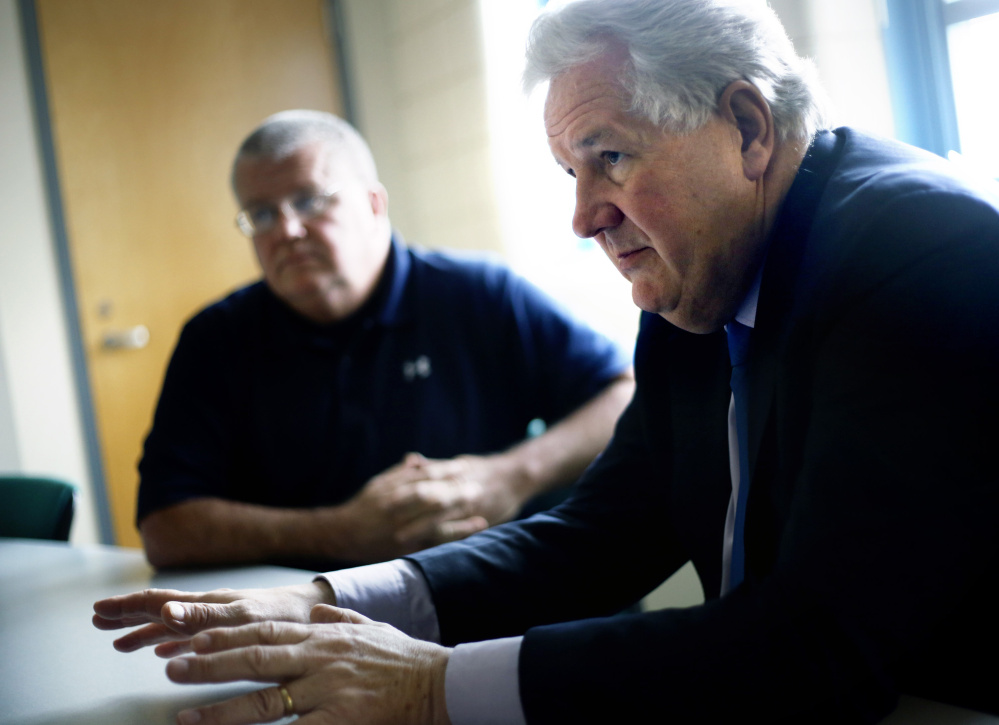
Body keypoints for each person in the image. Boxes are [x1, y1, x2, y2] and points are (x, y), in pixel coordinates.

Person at [94, 1, 999, 723]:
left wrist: (429, 687)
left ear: (747, 128)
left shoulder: (916, 247)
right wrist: (334, 599)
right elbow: (603, 531)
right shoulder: (700, 270)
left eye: (609, 157)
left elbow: (817, 641)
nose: (584, 215)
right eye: (571, 172)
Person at [136, 109, 634, 570]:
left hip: (476, 600)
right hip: (305, 618)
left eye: (309, 201)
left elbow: (624, 393)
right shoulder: (215, 339)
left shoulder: (479, 295)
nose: (286, 230)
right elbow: (163, 527)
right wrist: (339, 534)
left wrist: (509, 476)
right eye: (262, 215)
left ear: (375, 203)